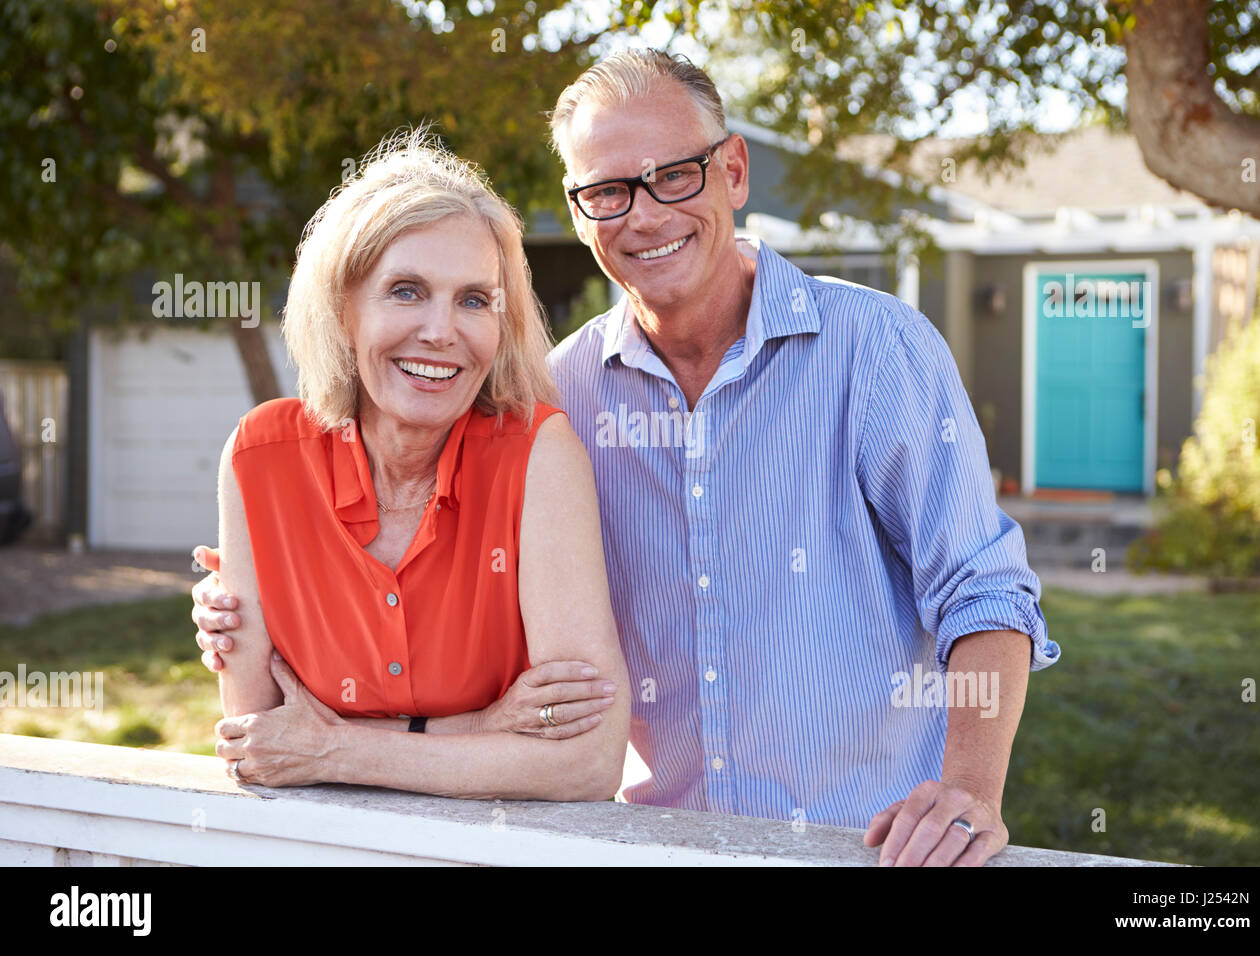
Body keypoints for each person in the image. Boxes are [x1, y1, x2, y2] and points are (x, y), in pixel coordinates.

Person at [194, 51, 1060, 865]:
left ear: (733, 172)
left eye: (674, 175)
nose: (645, 215)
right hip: (649, 847)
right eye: (608, 192)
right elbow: (419, 554)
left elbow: (982, 589)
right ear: (579, 214)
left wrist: (967, 789)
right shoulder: (559, 396)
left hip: (862, 848)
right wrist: (258, 599)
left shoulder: (875, 349)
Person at [200, 126, 630, 801]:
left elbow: (588, 763)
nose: (441, 331)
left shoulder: (539, 456)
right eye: (405, 290)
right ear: (343, 310)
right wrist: (480, 727)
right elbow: (259, 740)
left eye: (474, 300)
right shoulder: (260, 460)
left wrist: (338, 745)